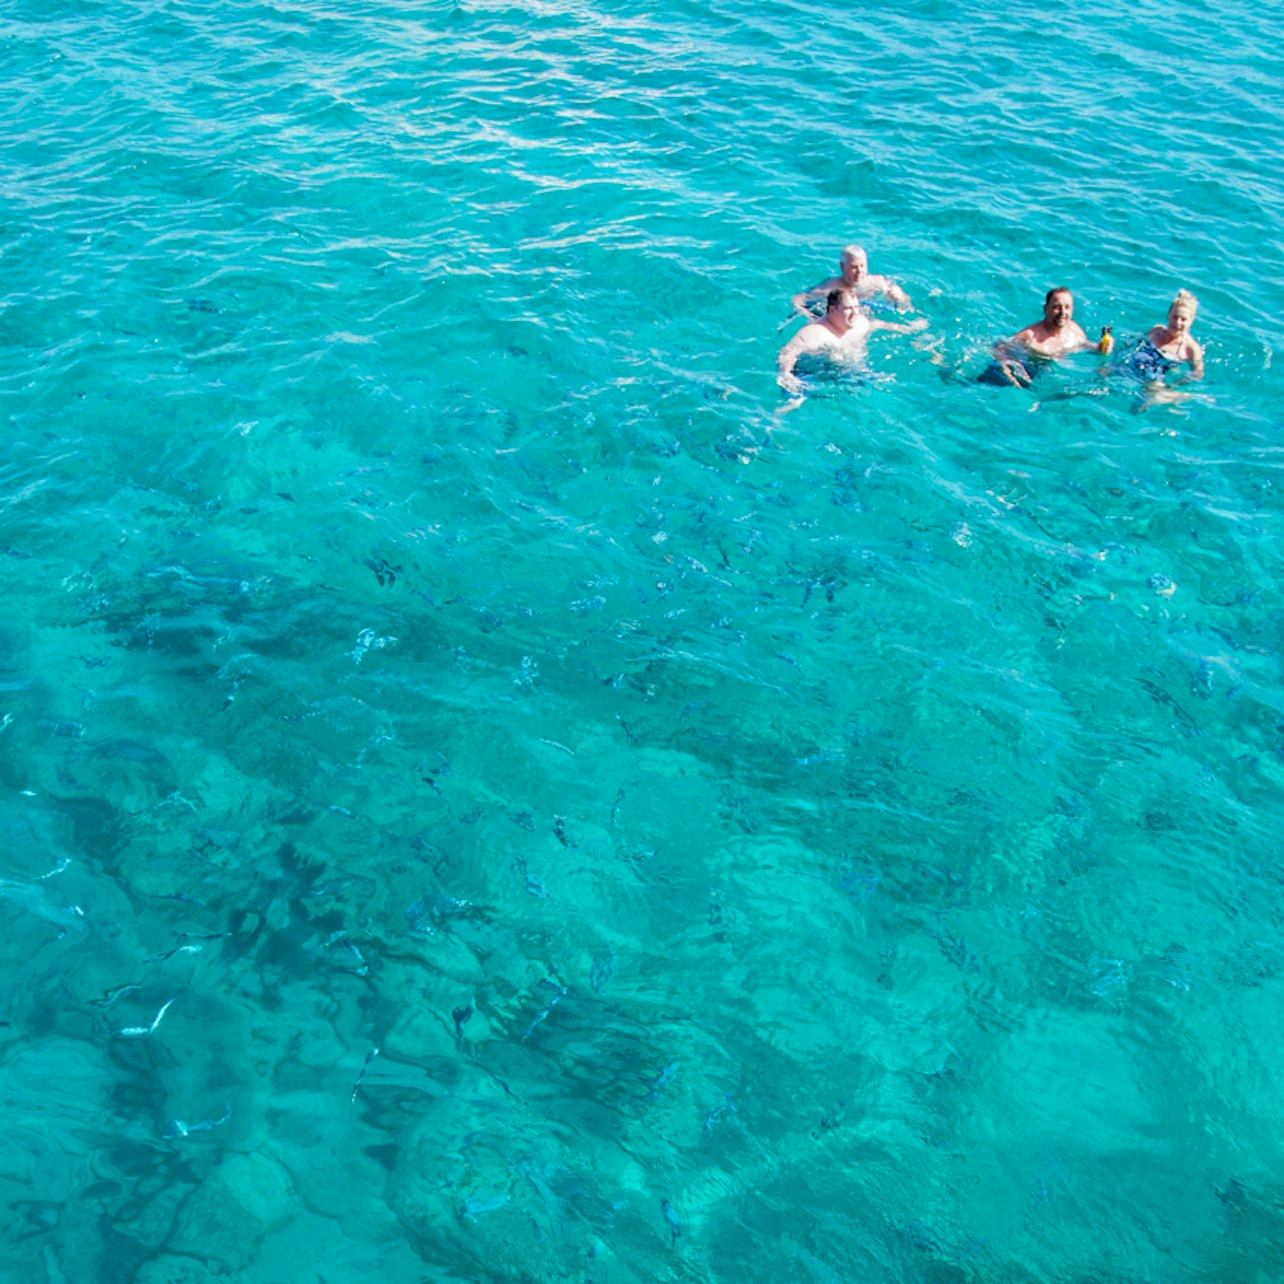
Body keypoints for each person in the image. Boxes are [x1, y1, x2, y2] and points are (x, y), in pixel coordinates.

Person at [778, 289, 926, 394]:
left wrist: (908, 328)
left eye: (856, 307)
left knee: (886, 386)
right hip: (815, 373)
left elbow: (878, 324)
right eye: (848, 308)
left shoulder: (860, 323)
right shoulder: (815, 333)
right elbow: (788, 352)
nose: (855, 312)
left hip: (853, 372)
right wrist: (786, 374)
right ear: (832, 310)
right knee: (794, 402)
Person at [982, 287, 1093, 387]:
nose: (1063, 312)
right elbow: (999, 346)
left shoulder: (1075, 331)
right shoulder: (1030, 336)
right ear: (1046, 309)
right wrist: (1005, 368)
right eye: (1057, 307)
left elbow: (1085, 345)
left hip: (1043, 374)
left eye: (1067, 307)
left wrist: (1100, 347)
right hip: (1022, 371)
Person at [791, 244, 912, 316]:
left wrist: (900, 296)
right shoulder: (831, 288)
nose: (860, 271)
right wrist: (810, 316)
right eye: (854, 267)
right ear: (842, 267)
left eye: (862, 266)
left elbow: (906, 304)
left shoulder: (877, 282)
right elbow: (798, 300)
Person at [1124, 288, 1204, 386]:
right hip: (1134, 365)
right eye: (1175, 317)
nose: (1178, 322)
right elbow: (1135, 343)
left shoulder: (1191, 349)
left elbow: (1197, 374)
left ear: (1191, 321)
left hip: (1155, 381)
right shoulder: (1156, 330)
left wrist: (1174, 385)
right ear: (1168, 315)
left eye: (1183, 319)